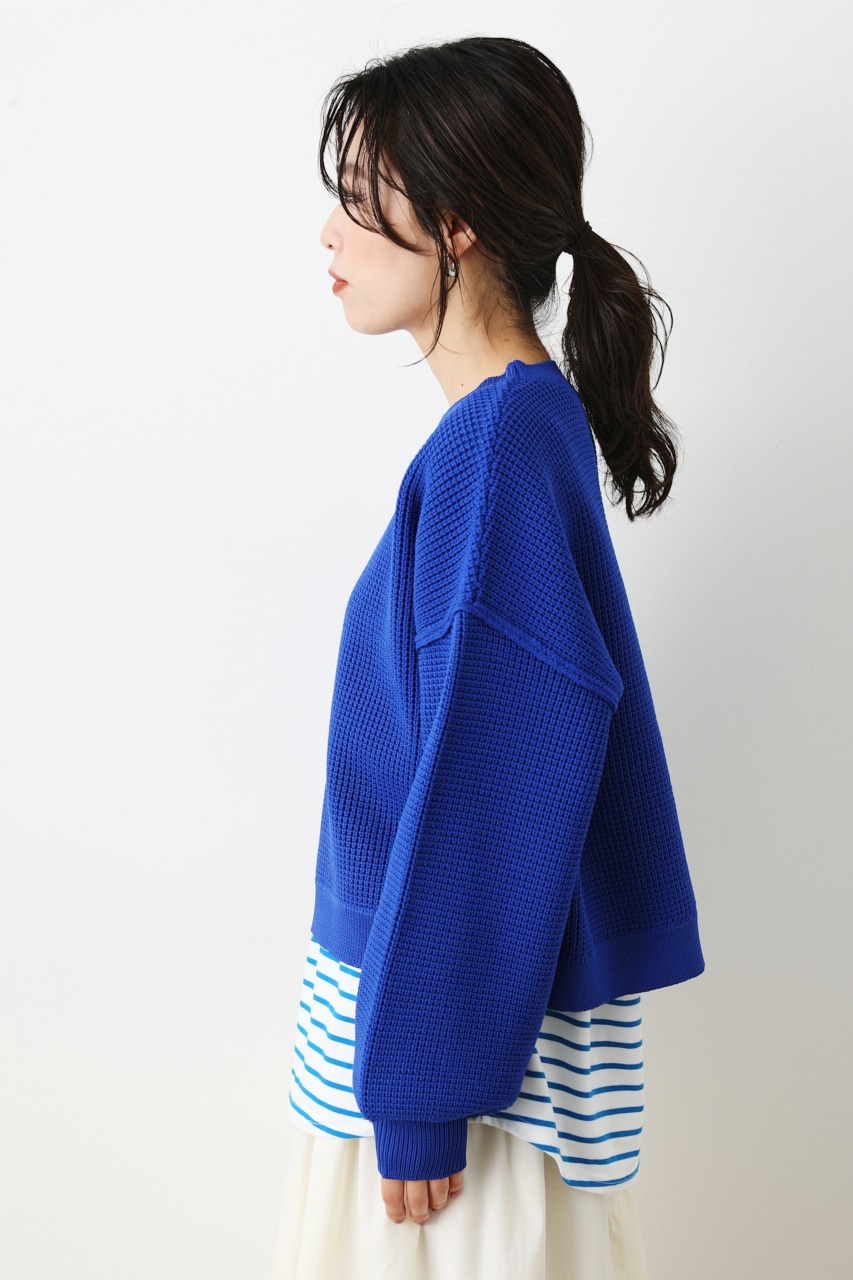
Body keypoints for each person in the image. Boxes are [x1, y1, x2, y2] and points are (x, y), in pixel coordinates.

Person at [270, 34, 704, 1280]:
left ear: (455, 224)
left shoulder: (498, 448)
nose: (330, 232)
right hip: (458, 1060)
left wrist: (421, 1087)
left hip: (463, 1100)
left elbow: (493, 781)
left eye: (361, 197)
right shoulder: (517, 429)